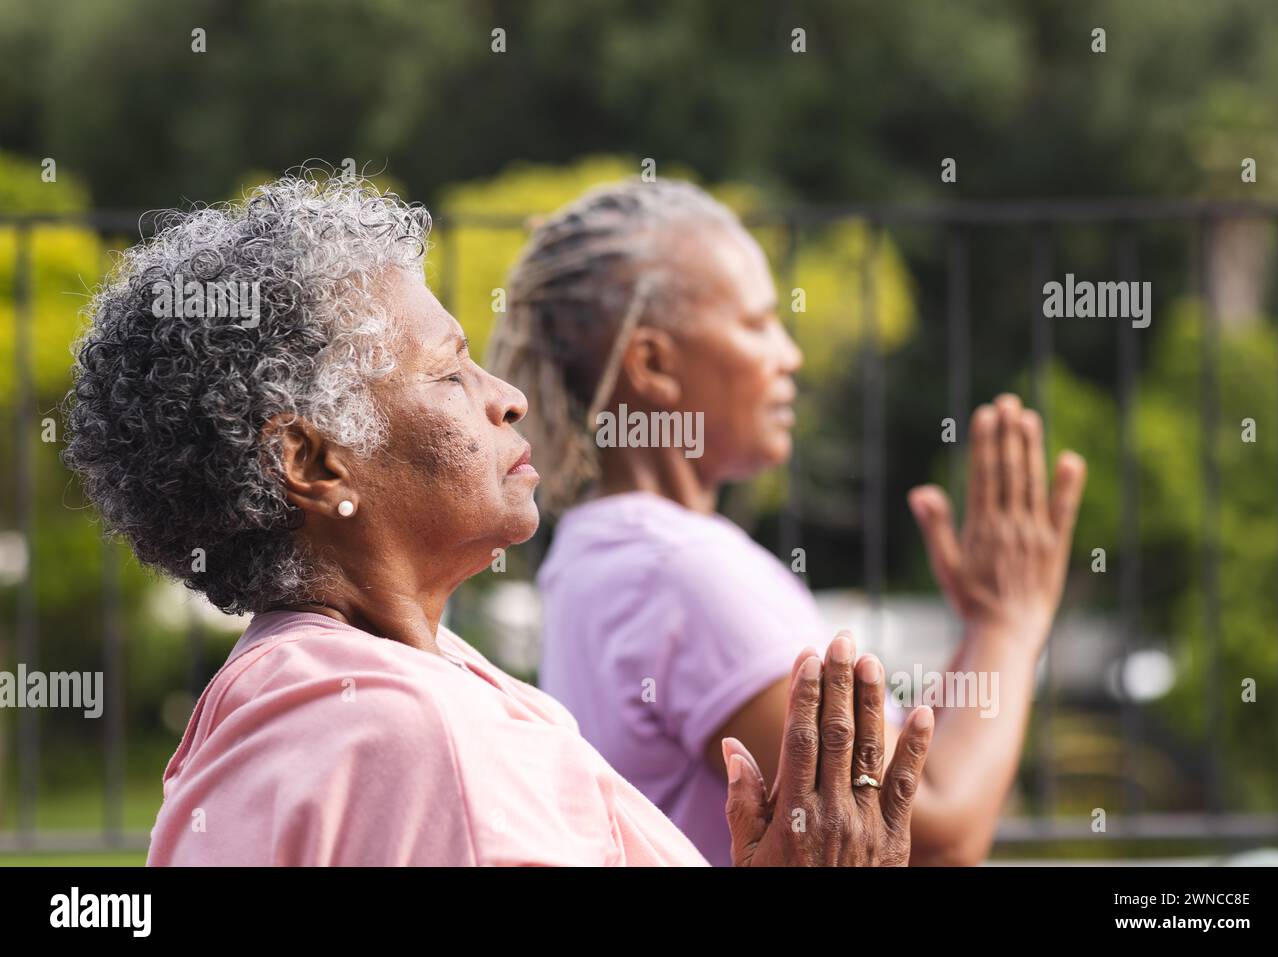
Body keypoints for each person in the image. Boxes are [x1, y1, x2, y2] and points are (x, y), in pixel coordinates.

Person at [61, 172, 934, 866]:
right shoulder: (414, 736)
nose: (508, 400)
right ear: (314, 461)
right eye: (450, 373)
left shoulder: (314, 685)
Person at [488, 178, 1087, 866]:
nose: (790, 354)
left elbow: (904, 782)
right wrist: (1008, 624)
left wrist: (985, 627)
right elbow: (934, 835)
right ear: (653, 363)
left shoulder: (600, 551)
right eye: (757, 323)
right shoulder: (684, 570)